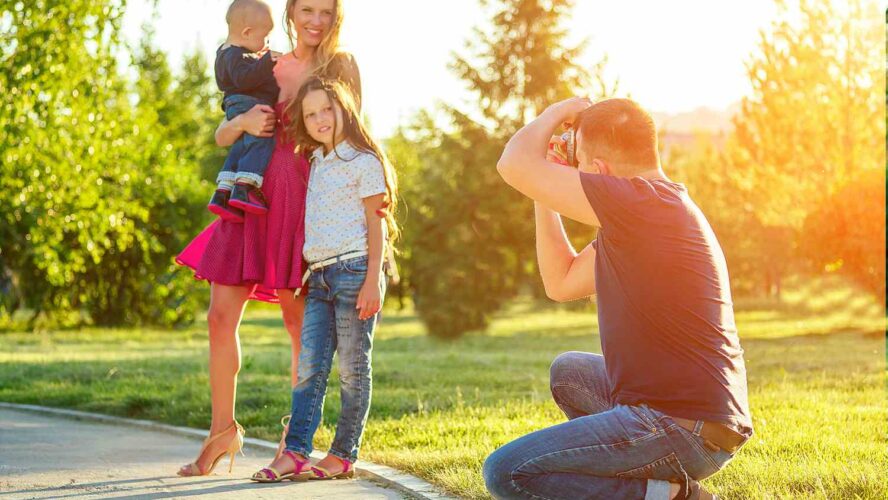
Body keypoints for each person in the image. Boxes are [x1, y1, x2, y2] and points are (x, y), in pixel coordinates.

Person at [484, 97, 753, 499]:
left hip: (682, 427)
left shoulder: (647, 207)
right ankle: (655, 486)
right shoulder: (646, 215)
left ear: (599, 173)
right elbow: (560, 282)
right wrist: (546, 190)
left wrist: (559, 112)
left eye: (580, 172)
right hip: (688, 418)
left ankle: (670, 496)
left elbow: (513, 165)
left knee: (507, 472)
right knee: (569, 373)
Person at [175, 0, 360, 477]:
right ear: (291, 12)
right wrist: (241, 124)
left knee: (299, 324)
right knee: (219, 316)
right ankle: (221, 431)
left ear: (335, 17)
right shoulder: (266, 63)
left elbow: (351, 141)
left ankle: (292, 440)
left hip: (301, 199)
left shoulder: (341, 67)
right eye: (307, 10)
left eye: (325, 11)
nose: (315, 21)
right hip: (250, 193)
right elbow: (222, 132)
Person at [250, 76, 398, 483]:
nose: (319, 119)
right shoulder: (315, 160)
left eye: (326, 110)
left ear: (343, 109)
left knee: (352, 369)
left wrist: (373, 281)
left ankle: (342, 454)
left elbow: (376, 224)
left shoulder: (363, 161)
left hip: (354, 272)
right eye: (310, 114)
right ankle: (294, 452)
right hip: (319, 279)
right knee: (310, 368)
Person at [208, 0, 280, 220]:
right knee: (262, 138)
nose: (266, 43)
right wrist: (268, 60)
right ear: (247, 32)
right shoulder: (235, 55)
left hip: (235, 106)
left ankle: (223, 190)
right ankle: (246, 188)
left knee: (241, 147)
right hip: (247, 103)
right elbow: (244, 78)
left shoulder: (224, 52)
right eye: (265, 37)